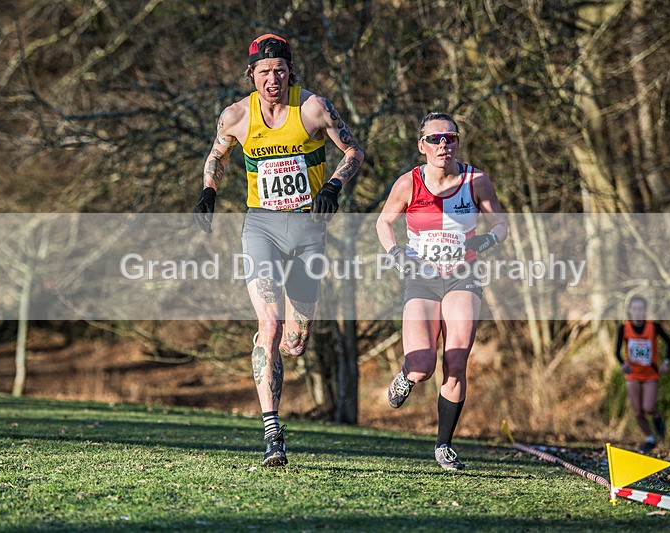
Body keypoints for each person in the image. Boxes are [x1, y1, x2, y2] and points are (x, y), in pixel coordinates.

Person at [193, 34, 364, 467]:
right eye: (265, 72)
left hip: (308, 227)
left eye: (280, 71)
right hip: (261, 227)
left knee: (295, 342)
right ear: (251, 76)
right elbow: (217, 156)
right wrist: (208, 192)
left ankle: (275, 343)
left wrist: (333, 185)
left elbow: (353, 150)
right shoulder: (235, 116)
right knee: (269, 325)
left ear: (290, 72)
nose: (273, 79)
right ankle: (272, 433)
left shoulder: (312, 108)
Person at [375, 112, 508, 470]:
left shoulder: (476, 180)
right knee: (422, 367)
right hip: (422, 278)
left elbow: (500, 223)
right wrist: (395, 252)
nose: (443, 144)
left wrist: (487, 239)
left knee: (456, 360)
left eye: (449, 137)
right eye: (435, 139)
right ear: (422, 146)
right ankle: (405, 378)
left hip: (463, 275)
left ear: (457, 142)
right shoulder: (408, 183)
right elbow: (384, 221)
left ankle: (443, 445)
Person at [615, 295, 670, 453]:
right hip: (633, 375)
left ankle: (657, 418)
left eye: (641, 309)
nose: (638, 312)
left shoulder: (653, 327)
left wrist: (666, 362)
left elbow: (669, 343)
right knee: (637, 411)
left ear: (645, 311)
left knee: (648, 407)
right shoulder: (624, 328)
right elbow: (617, 352)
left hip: (650, 375)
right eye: (634, 309)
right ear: (629, 311)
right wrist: (622, 364)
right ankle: (650, 438)